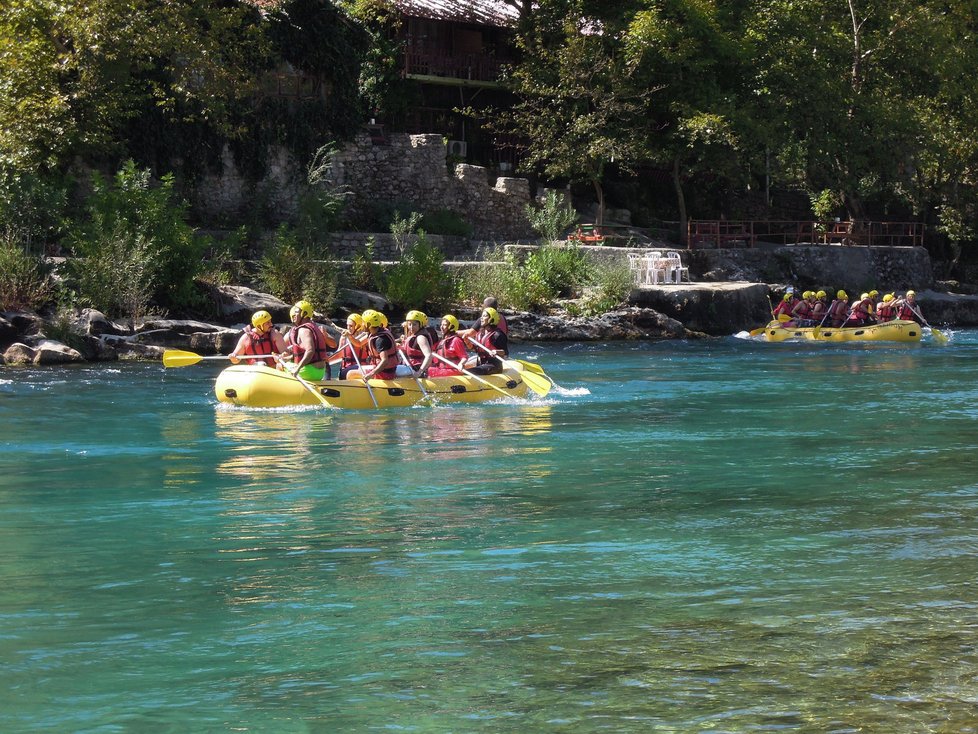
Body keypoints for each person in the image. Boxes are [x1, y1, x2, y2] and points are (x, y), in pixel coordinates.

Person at [283, 299, 333, 381]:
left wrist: (298, 368)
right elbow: (302, 353)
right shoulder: (314, 326)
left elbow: (310, 351)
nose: (294, 315)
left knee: (280, 366)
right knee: (286, 362)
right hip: (319, 371)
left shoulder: (304, 330)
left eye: (296, 312)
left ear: (304, 314)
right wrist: (288, 358)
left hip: (310, 371)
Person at [354, 309, 398, 380]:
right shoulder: (379, 331)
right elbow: (358, 343)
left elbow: (385, 361)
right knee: (356, 368)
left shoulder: (380, 340)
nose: (362, 325)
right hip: (384, 369)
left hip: (385, 373)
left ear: (368, 325)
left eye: (363, 322)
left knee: (350, 373)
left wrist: (371, 374)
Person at [464, 306, 509, 375]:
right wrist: (467, 342)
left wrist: (496, 351)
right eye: (482, 316)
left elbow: (505, 352)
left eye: (484, 316)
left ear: (491, 319)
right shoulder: (480, 333)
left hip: (493, 366)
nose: (481, 318)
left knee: (468, 372)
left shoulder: (498, 335)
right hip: (481, 363)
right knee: (463, 369)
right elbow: (475, 349)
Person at [398, 310, 434, 377]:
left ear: (420, 324)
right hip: (409, 367)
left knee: (392, 370)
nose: (411, 327)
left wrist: (419, 372)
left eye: (414, 324)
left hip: (415, 369)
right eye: (409, 324)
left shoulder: (421, 337)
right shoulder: (414, 335)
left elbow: (429, 356)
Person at [334, 313, 369, 380]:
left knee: (350, 373)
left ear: (358, 326)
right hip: (345, 369)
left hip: (359, 369)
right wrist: (325, 360)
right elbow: (338, 354)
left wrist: (349, 336)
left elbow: (358, 343)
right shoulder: (343, 337)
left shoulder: (365, 337)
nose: (348, 328)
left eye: (351, 326)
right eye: (347, 325)